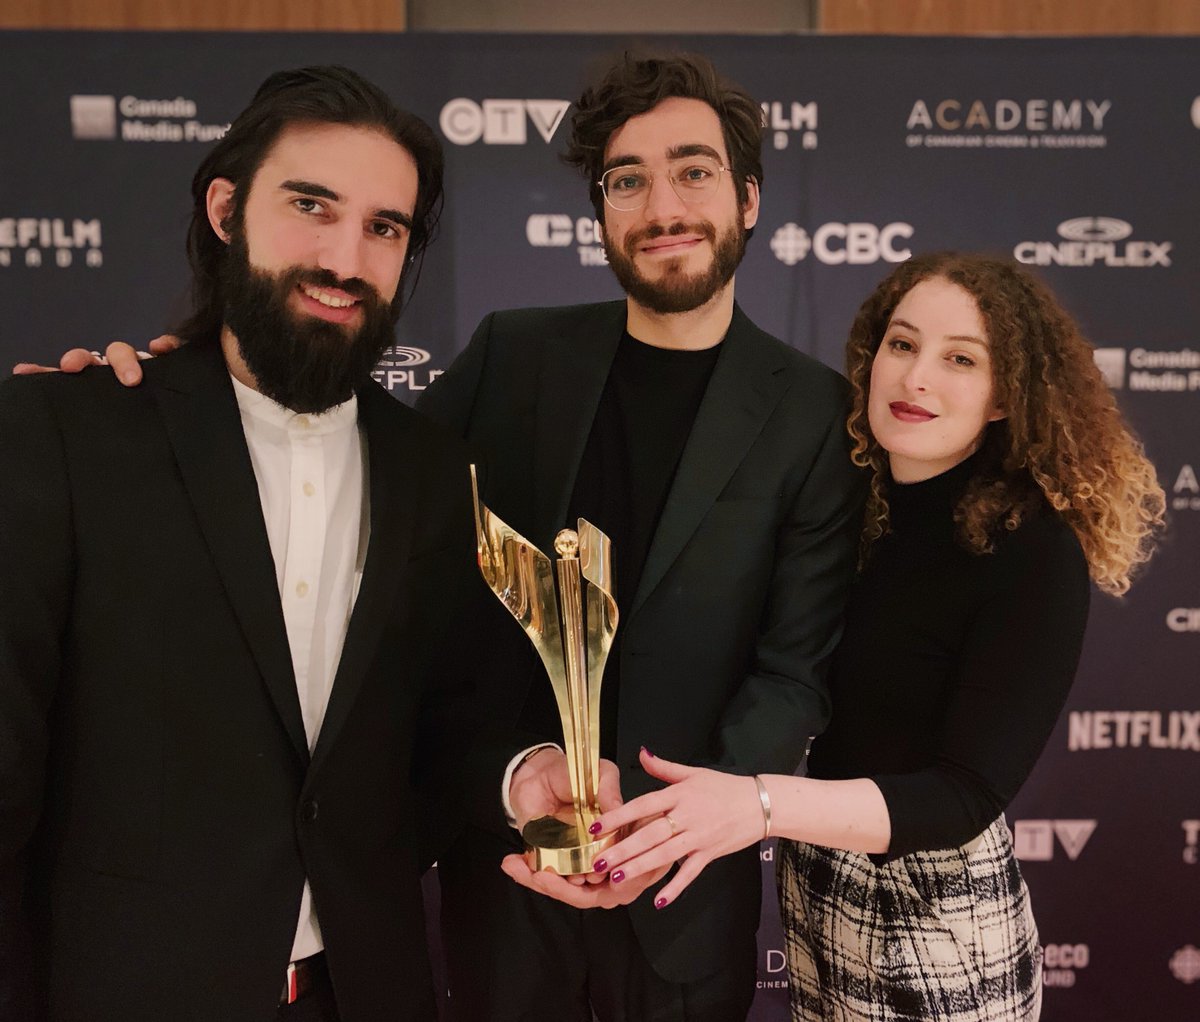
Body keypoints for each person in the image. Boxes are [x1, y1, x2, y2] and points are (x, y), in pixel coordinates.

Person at [22, 52, 863, 1021]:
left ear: (748, 198)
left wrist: (672, 822)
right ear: (599, 210)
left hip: (682, 891)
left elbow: (792, 671)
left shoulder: (813, 412)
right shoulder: (515, 355)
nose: (662, 205)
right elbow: (347, 455)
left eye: (694, 171)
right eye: (627, 179)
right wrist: (180, 387)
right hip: (501, 880)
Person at [0, 65, 482, 1021]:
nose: (345, 257)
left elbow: (442, 740)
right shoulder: (67, 430)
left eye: (384, 228)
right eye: (311, 206)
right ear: (226, 210)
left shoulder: (435, 471)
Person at [586, 252, 1165, 1022]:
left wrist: (757, 804)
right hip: (817, 882)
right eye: (902, 344)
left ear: (1006, 396)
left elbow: (964, 794)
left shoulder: (1032, 550)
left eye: (960, 359)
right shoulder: (848, 499)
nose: (915, 377)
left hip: (937, 910)